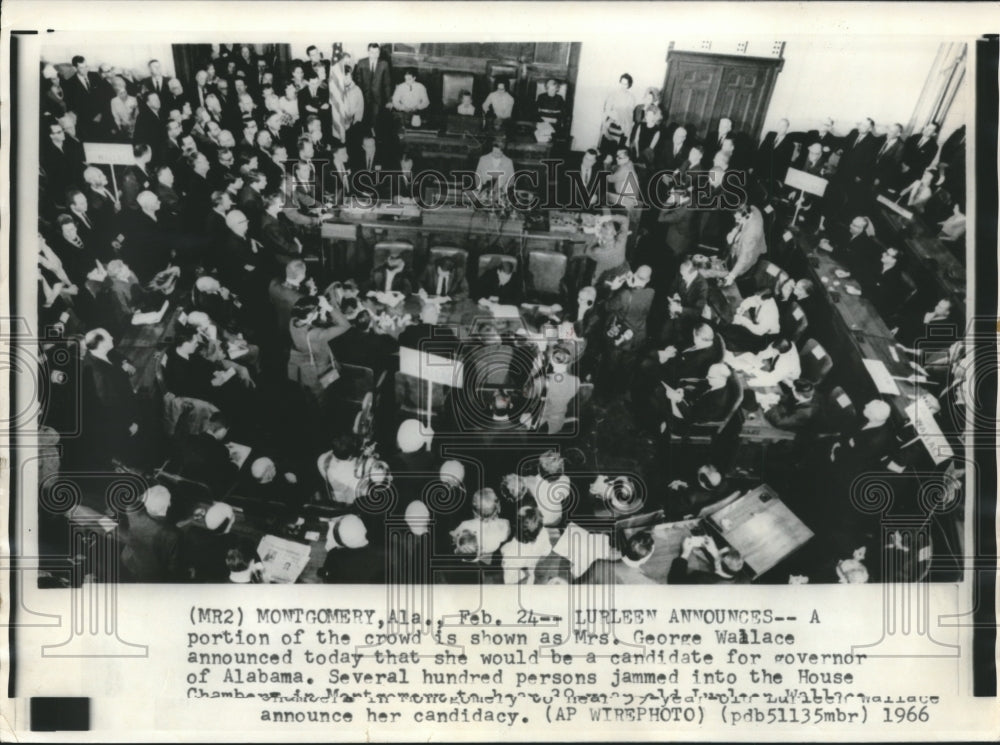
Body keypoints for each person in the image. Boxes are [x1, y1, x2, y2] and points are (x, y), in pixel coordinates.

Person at [287, 294, 352, 403]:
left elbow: (308, 322)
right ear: (311, 315)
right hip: (321, 369)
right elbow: (345, 325)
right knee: (323, 394)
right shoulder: (316, 334)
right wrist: (329, 307)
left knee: (309, 393)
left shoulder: (293, 321)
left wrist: (317, 311)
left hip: (304, 366)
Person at [120, 485, 183, 582]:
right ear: (169, 504)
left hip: (129, 559)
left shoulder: (132, 511)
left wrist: (149, 495)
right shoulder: (173, 534)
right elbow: (174, 565)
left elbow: (137, 500)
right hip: (151, 573)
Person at [500, 500, 553, 584]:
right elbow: (546, 552)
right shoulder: (543, 533)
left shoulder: (508, 549)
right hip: (531, 572)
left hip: (517, 580)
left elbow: (510, 580)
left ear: (514, 526)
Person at [667, 534, 747, 584]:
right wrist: (714, 551)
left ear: (718, 564)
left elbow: (674, 582)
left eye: (718, 554)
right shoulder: (736, 573)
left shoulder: (701, 579)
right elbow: (722, 565)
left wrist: (685, 553)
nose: (717, 552)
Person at [723, 204, 767, 293]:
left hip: (748, 256)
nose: (736, 221)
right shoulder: (753, 208)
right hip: (750, 244)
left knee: (734, 276)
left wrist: (732, 275)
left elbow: (745, 257)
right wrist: (734, 231)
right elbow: (742, 221)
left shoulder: (751, 234)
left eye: (738, 219)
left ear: (747, 216)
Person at [353, 43, 392, 128]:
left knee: (375, 121)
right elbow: (357, 81)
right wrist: (356, 97)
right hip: (362, 97)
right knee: (362, 120)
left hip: (377, 98)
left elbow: (387, 84)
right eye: (372, 52)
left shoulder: (384, 64)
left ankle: (373, 136)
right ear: (368, 52)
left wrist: (389, 100)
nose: (374, 55)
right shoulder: (361, 62)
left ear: (379, 52)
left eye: (376, 52)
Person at [585, 213, 630, 285]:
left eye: (606, 226)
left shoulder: (598, 251)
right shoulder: (621, 242)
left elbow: (587, 252)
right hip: (620, 275)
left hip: (600, 280)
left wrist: (595, 238)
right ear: (615, 232)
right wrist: (608, 217)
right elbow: (625, 220)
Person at [599, 73, 635, 159]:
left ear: (629, 85)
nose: (623, 86)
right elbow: (607, 109)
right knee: (605, 152)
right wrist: (612, 118)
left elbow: (629, 114)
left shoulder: (631, 98)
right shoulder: (613, 94)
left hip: (622, 126)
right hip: (611, 124)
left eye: (625, 84)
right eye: (621, 83)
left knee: (616, 152)